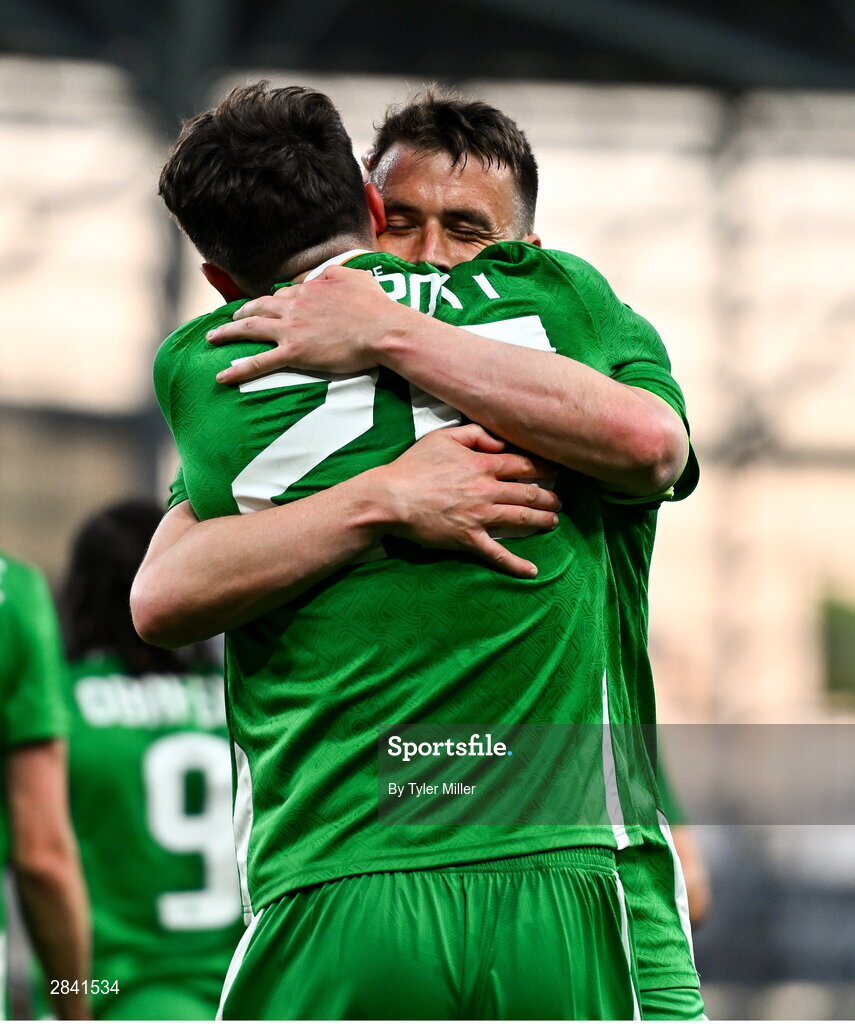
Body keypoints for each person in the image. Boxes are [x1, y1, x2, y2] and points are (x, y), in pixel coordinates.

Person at [136, 81, 698, 1020]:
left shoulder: (581, 340)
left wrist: (391, 330)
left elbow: (652, 446)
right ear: (365, 210)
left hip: (606, 865)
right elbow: (165, 588)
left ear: (525, 251)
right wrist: (382, 498)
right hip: (398, 864)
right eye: (402, 221)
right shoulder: (269, 368)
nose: (431, 253)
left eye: (468, 232)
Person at [60, 501, 243, 1019]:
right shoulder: (248, 701)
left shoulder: (60, 710)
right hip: (255, 991)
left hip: (119, 1000)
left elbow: (38, 862)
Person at [0, 551, 90, 1020]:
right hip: (219, 984)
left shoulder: (82, 705)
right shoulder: (12, 596)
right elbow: (43, 856)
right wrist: (71, 1006)